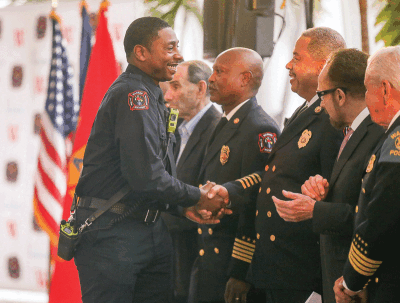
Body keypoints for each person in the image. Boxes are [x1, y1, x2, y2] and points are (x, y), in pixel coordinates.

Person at [73, 17, 227, 303]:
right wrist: (196, 197)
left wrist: (181, 209)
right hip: (113, 233)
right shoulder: (133, 95)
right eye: (170, 48)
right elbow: (146, 176)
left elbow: (152, 175)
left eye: (177, 47)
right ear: (141, 53)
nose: (178, 55)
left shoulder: (154, 93)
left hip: (151, 229)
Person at [209, 27, 346, 303]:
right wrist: (232, 190)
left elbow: (335, 196)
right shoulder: (304, 110)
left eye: (297, 58)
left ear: (323, 65)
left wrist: (321, 282)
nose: (288, 65)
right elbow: (273, 178)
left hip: (303, 271)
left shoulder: (331, 118)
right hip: (278, 266)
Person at [271, 48, 384, 303]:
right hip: (337, 279)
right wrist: (321, 191)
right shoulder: (353, 132)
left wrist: (314, 210)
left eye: (322, 95)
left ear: (341, 95)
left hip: (357, 285)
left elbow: (375, 217)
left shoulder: (378, 134)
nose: (320, 104)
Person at [187, 47, 280, 303]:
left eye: (220, 71)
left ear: (245, 79)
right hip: (210, 256)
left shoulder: (259, 128)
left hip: (232, 263)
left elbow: (256, 204)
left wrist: (242, 272)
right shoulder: (227, 121)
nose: (212, 78)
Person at [333, 46, 400, 303]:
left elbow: (381, 220)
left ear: (384, 89)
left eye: (367, 89)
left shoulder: (396, 141)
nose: (366, 99)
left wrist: (352, 282)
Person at [161, 60, 221, 303]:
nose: (168, 95)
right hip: (170, 257)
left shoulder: (218, 130)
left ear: (201, 89)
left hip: (195, 257)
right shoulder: (175, 129)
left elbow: (205, 200)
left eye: (176, 86)